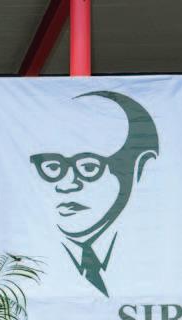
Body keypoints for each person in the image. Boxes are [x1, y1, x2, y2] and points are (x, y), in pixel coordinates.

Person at [27, 89, 159, 298]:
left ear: (138, 168)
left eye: (88, 167)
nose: (67, 184)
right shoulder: (27, 261)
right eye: (52, 167)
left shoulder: (157, 253)